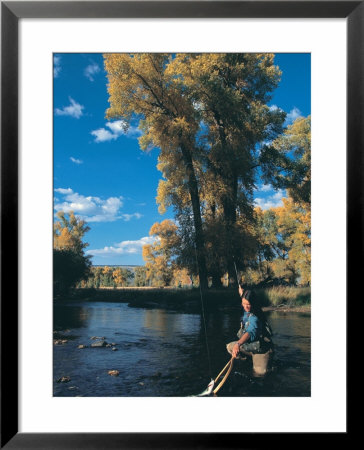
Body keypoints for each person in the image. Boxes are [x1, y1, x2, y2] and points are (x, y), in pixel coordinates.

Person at [226, 286, 273, 376]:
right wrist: (242, 293)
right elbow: (245, 299)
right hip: (250, 345)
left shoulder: (255, 317)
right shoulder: (245, 307)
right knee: (230, 347)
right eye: (243, 304)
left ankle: (267, 360)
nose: (245, 307)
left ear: (253, 303)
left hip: (261, 349)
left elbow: (250, 332)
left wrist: (238, 344)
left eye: (248, 304)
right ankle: (248, 358)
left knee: (259, 374)